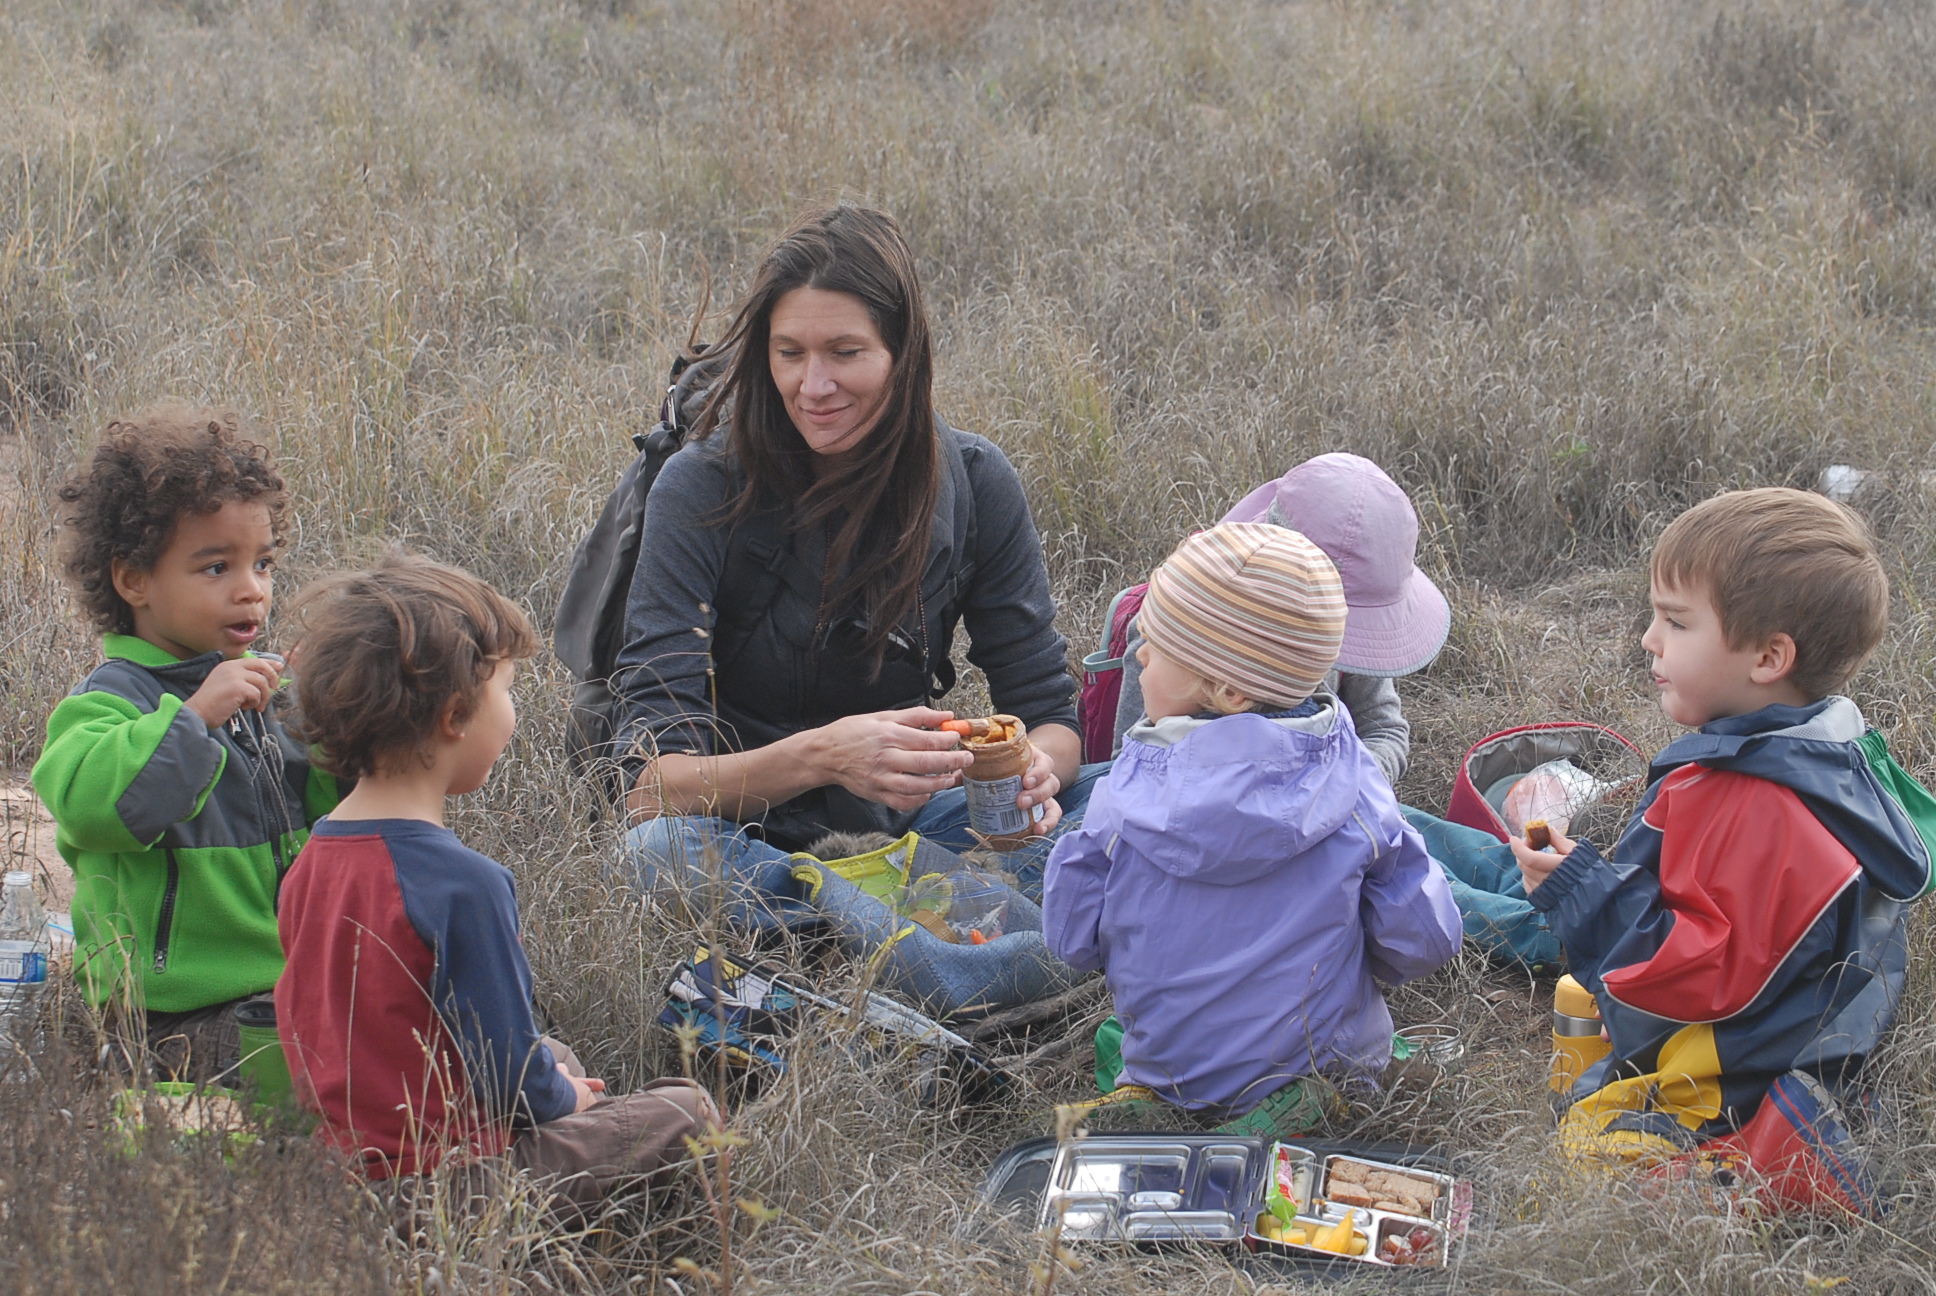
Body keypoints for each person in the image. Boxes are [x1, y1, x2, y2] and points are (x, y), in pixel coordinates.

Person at [613, 204, 1102, 914]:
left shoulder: (975, 480)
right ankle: (923, 920)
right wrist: (827, 756)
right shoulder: (700, 486)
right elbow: (653, 788)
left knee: (1126, 798)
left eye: (845, 353)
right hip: (742, 831)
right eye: (789, 353)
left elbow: (1051, 717)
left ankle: (867, 920)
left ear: (904, 354)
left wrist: (1032, 774)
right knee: (654, 857)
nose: (813, 387)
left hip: (921, 822)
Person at [1509, 488, 1930, 1179]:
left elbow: (1701, 977)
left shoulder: (1758, 803)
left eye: (1675, 622)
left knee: (1593, 1151)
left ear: (1767, 659)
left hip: (1745, 1057)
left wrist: (1580, 890)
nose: (1649, 640)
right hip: (1791, 1021)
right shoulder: (1817, 750)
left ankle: (1776, 1164)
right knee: (1584, 1003)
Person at [274, 552, 714, 1213]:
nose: (510, 712)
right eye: (505, 690)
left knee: (553, 1050)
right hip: (452, 1191)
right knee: (689, 1110)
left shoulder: (310, 860)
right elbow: (510, 1077)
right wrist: (570, 1099)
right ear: (455, 716)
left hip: (345, 1178)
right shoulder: (464, 885)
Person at [1043, 523, 1463, 1139]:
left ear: (1230, 690)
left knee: (1123, 1038)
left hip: (1174, 1070)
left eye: (1155, 646)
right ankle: (1302, 1105)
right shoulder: (1359, 791)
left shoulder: (1119, 802)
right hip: (1326, 1060)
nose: (1138, 656)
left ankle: (1164, 1100)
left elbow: (1068, 939)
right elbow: (1427, 938)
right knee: (1342, 1050)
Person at [32, 405, 338, 1083]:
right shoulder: (106, 706)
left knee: (431, 1022)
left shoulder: (262, 693)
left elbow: (339, 805)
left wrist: (336, 718)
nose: (251, 590)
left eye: (262, 564)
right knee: (335, 1066)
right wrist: (195, 720)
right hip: (164, 1024)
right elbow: (93, 805)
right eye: (215, 568)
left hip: (280, 993)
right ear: (133, 579)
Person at [1111, 453, 1449, 784]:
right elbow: (1126, 760)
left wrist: (1350, 784)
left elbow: (1383, 726)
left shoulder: (1361, 655)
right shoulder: (1179, 629)